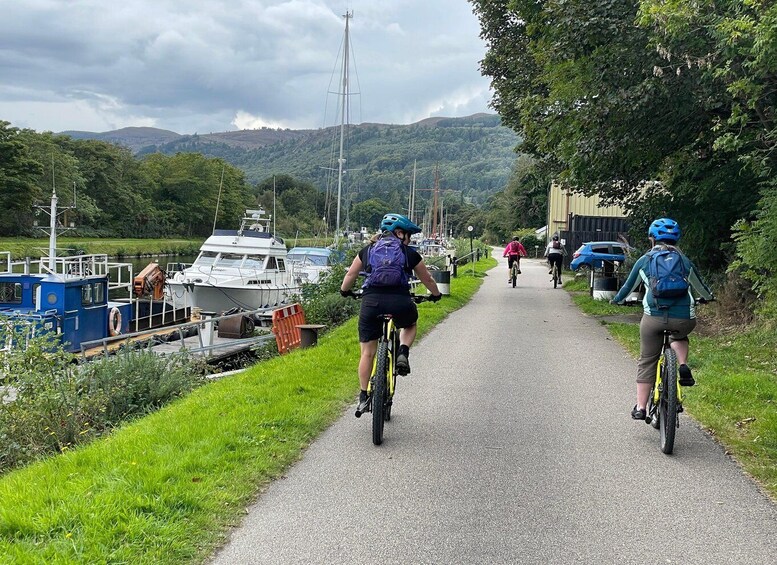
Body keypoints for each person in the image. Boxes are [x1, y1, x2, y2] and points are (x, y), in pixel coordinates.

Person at [611, 218, 714, 421]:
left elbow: (627, 287)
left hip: (654, 318)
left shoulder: (645, 261)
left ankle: (640, 407)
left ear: (652, 238)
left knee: (648, 359)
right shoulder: (684, 261)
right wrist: (709, 298)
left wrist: (617, 300)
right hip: (684, 317)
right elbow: (701, 287)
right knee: (680, 336)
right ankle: (682, 364)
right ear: (676, 239)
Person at [340, 213, 442, 415]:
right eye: (408, 235)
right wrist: (436, 294)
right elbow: (427, 279)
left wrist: (344, 291)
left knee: (367, 353)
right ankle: (403, 352)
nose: (409, 239)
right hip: (400, 302)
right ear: (400, 234)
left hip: (371, 302)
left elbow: (351, 275)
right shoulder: (409, 253)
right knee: (410, 323)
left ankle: (363, 397)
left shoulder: (367, 251)